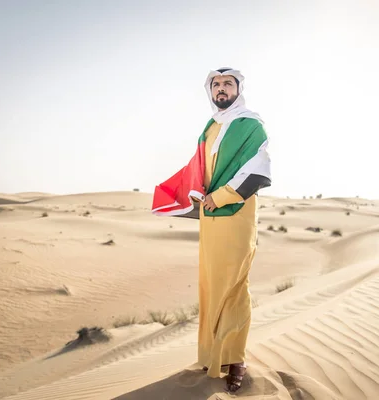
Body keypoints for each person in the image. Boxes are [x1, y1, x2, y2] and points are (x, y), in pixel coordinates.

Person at [151, 67, 271, 392]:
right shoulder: (210, 127)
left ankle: (236, 358)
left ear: (238, 88)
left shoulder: (251, 125)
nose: (221, 89)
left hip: (235, 215)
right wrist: (188, 194)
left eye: (227, 83)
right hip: (211, 220)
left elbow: (256, 170)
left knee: (235, 285)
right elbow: (198, 167)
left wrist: (219, 197)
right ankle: (212, 355)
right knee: (211, 285)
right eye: (216, 84)